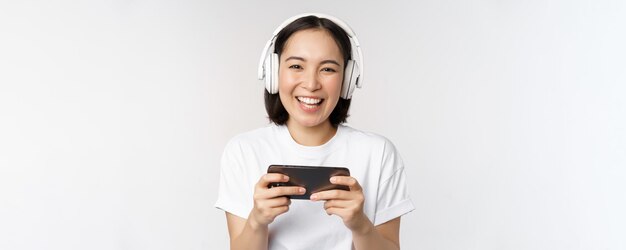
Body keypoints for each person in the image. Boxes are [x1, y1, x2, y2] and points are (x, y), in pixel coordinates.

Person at [215, 13, 415, 250]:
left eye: (328, 69)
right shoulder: (244, 150)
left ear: (348, 79)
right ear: (273, 72)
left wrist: (360, 224)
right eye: (296, 66)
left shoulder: (378, 153)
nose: (311, 84)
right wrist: (258, 221)